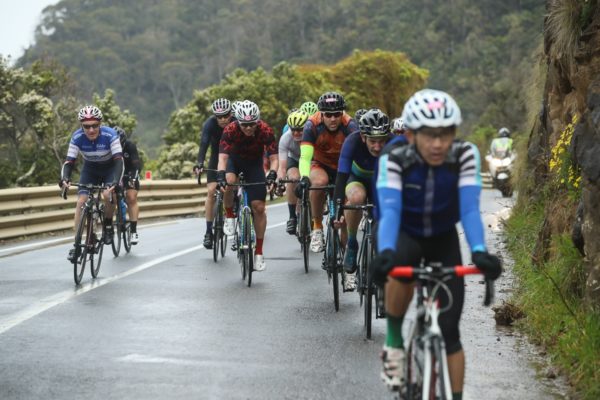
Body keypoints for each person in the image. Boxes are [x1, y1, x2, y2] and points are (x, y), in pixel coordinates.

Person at [371, 89, 502, 398]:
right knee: (399, 271)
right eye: (429, 135)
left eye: (446, 134)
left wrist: (480, 252)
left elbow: (469, 209)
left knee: (450, 332)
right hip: (406, 232)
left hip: (443, 237)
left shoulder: (465, 155)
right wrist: (386, 253)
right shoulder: (394, 157)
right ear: (412, 134)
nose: (438, 143)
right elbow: (390, 211)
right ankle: (394, 343)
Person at [332, 108, 392, 291]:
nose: (377, 147)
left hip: (380, 182)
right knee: (356, 198)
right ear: (364, 137)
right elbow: (341, 177)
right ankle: (351, 243)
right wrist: (338, 211)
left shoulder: (394, 144)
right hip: (356, 180)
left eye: (382, 141)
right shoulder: (352, 141)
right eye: (373, 141)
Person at [216, 100, 278, 272]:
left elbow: (274, 158)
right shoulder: (230, 129)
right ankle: (229, 215)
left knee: (259, 208)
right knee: (229, 182)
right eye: (245, 125)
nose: (248, 128)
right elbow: (222, 158)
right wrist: (220, 174)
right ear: (238, 122)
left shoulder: (265, 130)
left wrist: (272, 174)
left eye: (252, 124)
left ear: (257, 121)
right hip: (234, 162)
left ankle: (258, 252)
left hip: (254, 165)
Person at [296, 91, 359, 253]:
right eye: (328, 114)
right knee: (317, 184)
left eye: (337, 114)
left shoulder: (350, 126)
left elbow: (358, 154)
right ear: (321, 114)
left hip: (343, 167)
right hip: (320, 164)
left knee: (344, 215)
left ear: (342, 113)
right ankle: (317, 228)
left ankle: (348, 262)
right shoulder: (312, 125)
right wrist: (303, 177)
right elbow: (304, 157)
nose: (333, 118)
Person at [59, 105, 124, 260]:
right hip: (90, 170)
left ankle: (108, 225)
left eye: (94, 126)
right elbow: (69, 162)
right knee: (81, 202)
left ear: (100, 124)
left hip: (110, 169)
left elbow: (119, 161)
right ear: (82, 126)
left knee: (108, 194)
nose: (91, 130)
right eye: (86, 126)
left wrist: (115, 181)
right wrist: (65, 178)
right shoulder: (77, 137)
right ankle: (76, 246)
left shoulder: (110, 135)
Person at [193, 98, 235, 249]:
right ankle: (208, 232)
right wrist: (199, 163)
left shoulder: (236, 122)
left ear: (231, 113)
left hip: (233, 157)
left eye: (226, 115)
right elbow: (204, 144)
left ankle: (234, 207)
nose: (223, 119)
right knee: (211, 191)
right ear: (215, 116)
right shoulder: (210, 124)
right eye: (219, 117)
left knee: (231, 184)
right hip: (216, 157)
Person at [277, 110, 309, 234]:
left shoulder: (314, 135)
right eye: (293, 129)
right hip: (294, 159)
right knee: (293, 178)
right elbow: (282, 167)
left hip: (311, 159)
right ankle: (292, 217)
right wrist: (280, 181)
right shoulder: (285, 138)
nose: (296, 133)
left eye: (300, 130)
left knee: (312, 180)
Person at [113, 126, 142, 245]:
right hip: (115, 175)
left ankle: (134, 231)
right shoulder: (108, 147)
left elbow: (136, 165)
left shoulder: (130, 146)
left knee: (131, 197)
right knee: (110, 195)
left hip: (129, 173)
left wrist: (133, 178)